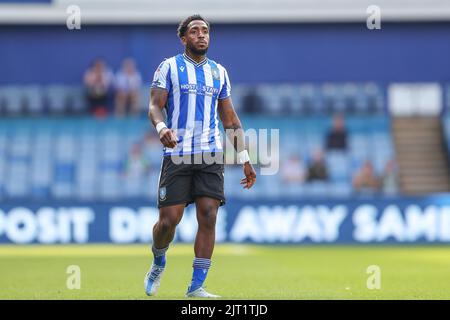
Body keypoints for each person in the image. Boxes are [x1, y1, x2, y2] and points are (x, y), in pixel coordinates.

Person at [145, 15, 257, 298]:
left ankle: (196, 286)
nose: (201, 35)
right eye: (194, 31)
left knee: (208, 215)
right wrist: (161, 127)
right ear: (183, 38)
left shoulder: (219, 72)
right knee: (169, 221)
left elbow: (230, 119)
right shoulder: (168, 67)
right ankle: (159, 259)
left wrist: (244, 158)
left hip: (209, 154)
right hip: (178, 154)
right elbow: (154, 106)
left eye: (205, 31)